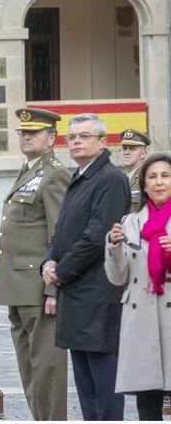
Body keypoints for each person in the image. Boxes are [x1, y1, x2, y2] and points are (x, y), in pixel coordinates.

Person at [42, 113, 130, 420]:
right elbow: (61, 229)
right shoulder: (79, 175)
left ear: (103, 142)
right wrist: (49, 259)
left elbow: (96, 237)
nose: (76, 141)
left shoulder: (109, 179)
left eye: (84, 136)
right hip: (76, 294)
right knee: (85, 385)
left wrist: (61, 271)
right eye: (73, 137)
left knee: (104, 386)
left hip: (97, 294)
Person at [0, 108, 70, 420]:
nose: (26, 136)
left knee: (47, 366)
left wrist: (53, 288)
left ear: (51, 138)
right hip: (17, 286)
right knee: (29, 366)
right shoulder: (29, 171)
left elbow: (59, 235)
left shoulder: (54, 174)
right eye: (23, 132)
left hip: (38, 286)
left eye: (34, 132)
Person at [105, 153, 171, 421]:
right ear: (143, 185)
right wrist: (113, 246)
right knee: (147, 403)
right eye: (152, 176)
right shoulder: (130, 223)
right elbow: (118, 277)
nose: (159, 182)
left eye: (165, 175)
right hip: (141, 320)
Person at [120, 129, 151, 212]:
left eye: (132, 149)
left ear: (143, 154)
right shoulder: (121, 178)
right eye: (124, 148)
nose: (126, 152)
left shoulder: (147, 178)